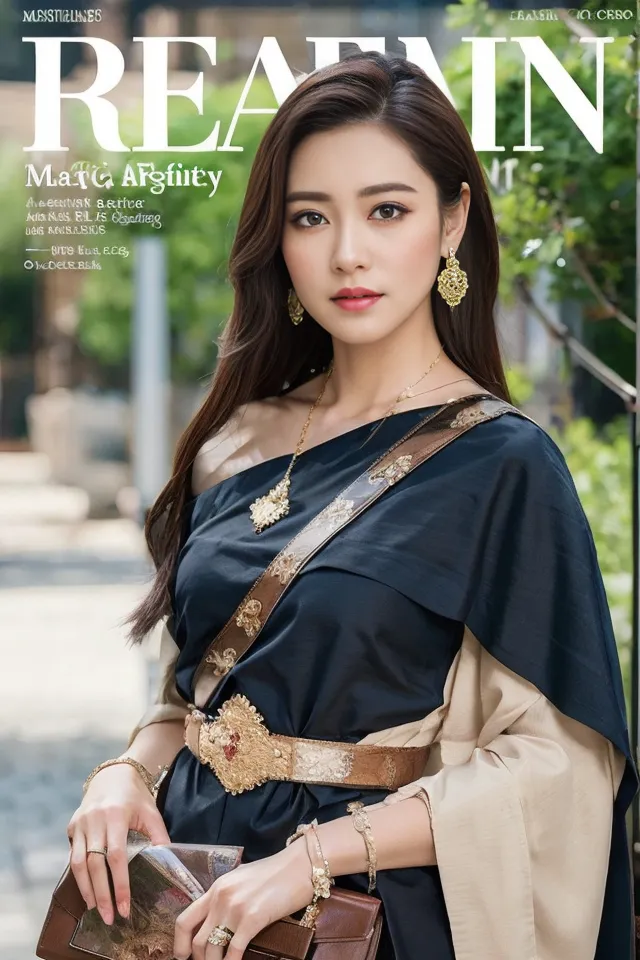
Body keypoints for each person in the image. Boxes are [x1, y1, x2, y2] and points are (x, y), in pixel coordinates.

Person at [66, 52, 638, 960]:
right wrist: (122, 773)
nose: (346, 253)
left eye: (387, 210)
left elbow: (557, 764)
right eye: (310, 217)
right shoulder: (235, 437)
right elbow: (194, 695)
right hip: (187, 900)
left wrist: (312, 860)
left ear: (451, 221)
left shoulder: (503, 465)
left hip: (360, 919)